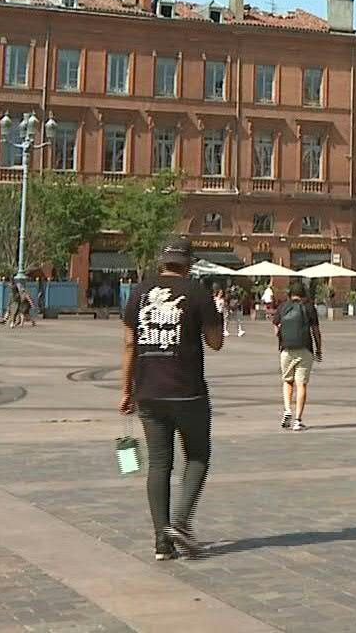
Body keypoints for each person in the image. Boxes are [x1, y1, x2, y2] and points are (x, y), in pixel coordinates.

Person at [119, 238, 222, 561]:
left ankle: (162, 543)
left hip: (148, 391)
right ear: (188, 262)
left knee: (159, 464)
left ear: (161, 261)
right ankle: (179, 522)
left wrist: (126, 390)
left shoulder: (139, 292)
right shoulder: (197, 292)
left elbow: (129, 345)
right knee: (198, 456)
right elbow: (215, 342)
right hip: (188, 391)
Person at [272, 285, 323, 432]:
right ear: (304, 295)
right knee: (301, 385)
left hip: (286, 349)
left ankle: (287, 409)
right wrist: (318, 349)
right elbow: (316, 331)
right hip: (305, 349)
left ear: (290, 294)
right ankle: (298, 420)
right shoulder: (309, 308)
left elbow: (276, 329)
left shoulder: (283, 307)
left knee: (288, 381)